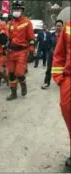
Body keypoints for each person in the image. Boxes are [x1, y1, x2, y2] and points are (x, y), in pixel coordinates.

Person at [52, 20, 71, 173]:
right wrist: (60, 79)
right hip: (69, 80)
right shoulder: (69, 27)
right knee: (68, 114)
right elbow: (59, 54)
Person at [6, 0, 35, 101]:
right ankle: (13, 93)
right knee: (11, 74)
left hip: (22, 51)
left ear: (22, 10)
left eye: (18, 9)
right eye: (15, 9)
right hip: (10, 52)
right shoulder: (9, 23)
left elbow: (31, 38)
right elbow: (6, 38)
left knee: (19, 73)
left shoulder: (27, 22)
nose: (16, 11)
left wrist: (31, 51)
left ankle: (23, 84)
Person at [41, 20, 63, 89]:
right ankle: (46, 82)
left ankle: (62, 83)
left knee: (63, 70)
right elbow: (48, 45)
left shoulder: (64, 35)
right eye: (57, 26)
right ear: (55, 26)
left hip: (62, 56)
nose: (58, 27)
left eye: (60, 26)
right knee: (49, 69)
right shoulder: (51, 35)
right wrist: (51, 51)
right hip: (52, 54)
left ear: (62, 27)